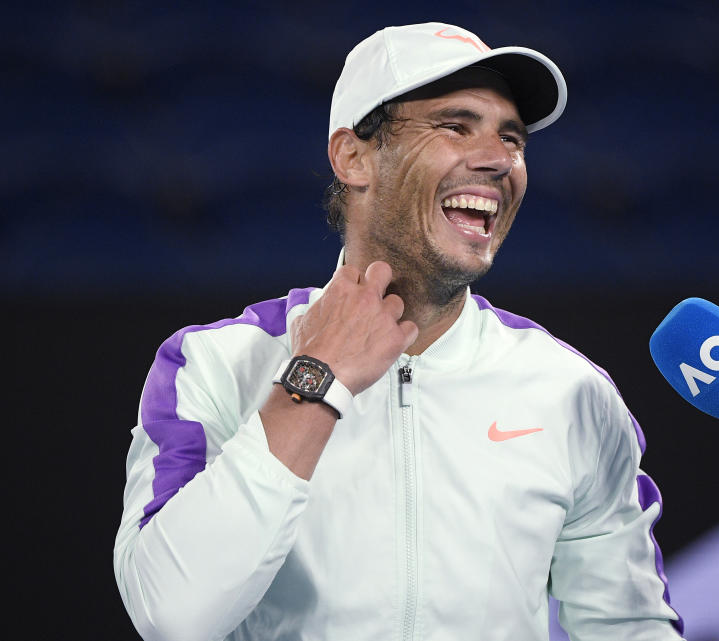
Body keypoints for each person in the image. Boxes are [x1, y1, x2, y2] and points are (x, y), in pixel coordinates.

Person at [114, 22, 685, 641]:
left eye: (512, 137)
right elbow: (172, 615)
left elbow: (632, 629)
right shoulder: (214, 364)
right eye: (454, 126)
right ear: (353, 156)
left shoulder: (571, 392)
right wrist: (316, 381)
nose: (498, 159)